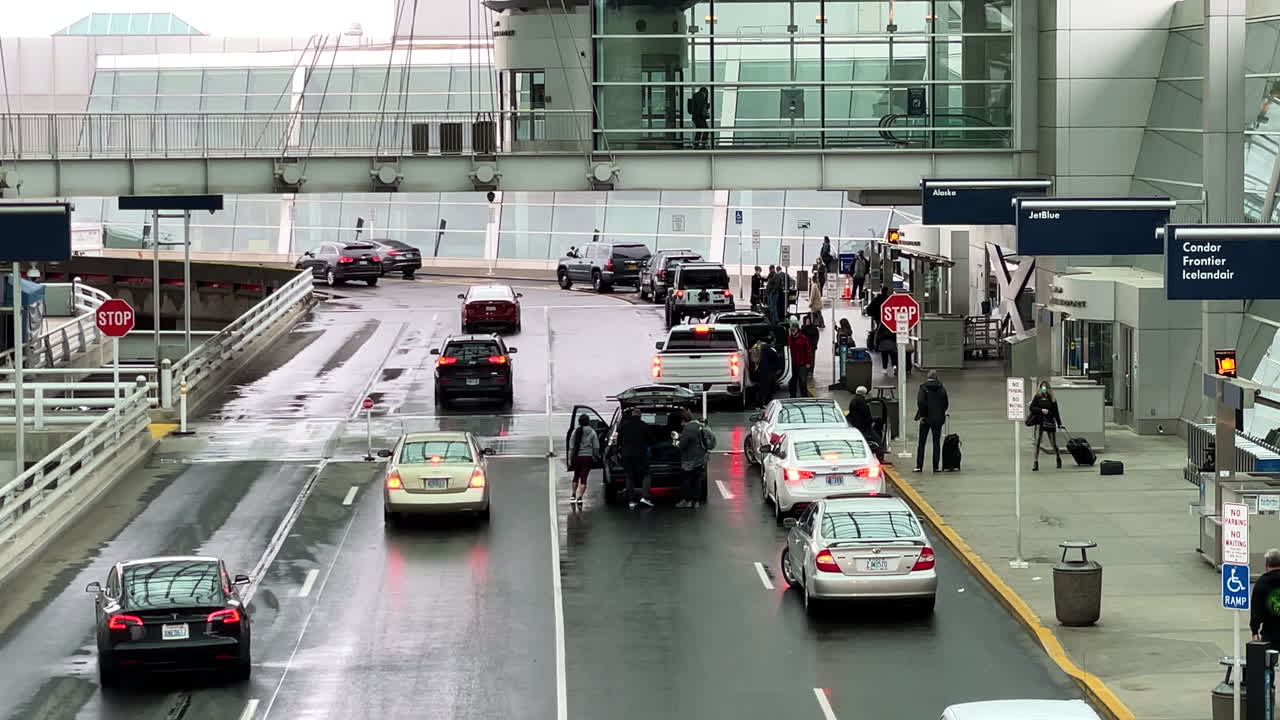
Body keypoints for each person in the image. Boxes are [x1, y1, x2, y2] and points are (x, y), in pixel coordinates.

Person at [616, 407, 654, 509]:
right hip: (640, 455)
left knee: (629, 476)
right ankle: (645, 497)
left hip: (627, 455)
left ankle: (631, 501)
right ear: (640, 416)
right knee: (646, 474)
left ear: (632, 415)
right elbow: (651, 440)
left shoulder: (623, 425)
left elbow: (618, 442)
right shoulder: (644, 425)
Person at [914, 370, 949, 473]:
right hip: (938, 419)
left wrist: (923, 414)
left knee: (922, 443)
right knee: (936, 442)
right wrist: (941, 412)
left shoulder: (923, 388)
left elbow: (920, 401)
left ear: (927, 377)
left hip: (926, 418)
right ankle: (936, 466)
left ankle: (919, 466)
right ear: (936, 377)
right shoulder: (942, 388)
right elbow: (946, 403)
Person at [676, 409, 711, 508]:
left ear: (683, 420)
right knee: (697, 480)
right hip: (700, 457)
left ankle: (686, 500)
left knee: (686, 480)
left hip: (689, 459)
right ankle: (696, 501)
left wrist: (677, 443)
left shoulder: (687, 429)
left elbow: (682, 445)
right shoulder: (698, 425)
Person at [1027, 381, 1064, 471]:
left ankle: (1058, 457)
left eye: (1045, 387)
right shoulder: (1037, 397)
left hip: (1049, 422)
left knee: (1053, 442)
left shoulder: (1052, 399)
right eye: (1042, 387)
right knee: (1037, 442)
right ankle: (1035, 462)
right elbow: (1032, 408)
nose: (1043, 389)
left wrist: (1059, 423)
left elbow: (1056, 412)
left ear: (1048, 388)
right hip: (1039, 421)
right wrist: (1041, 410)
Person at [568, 413, 599, 506]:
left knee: (576, 476)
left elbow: (571, 446)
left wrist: (570, 459)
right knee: (584, 478)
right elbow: (596, 446)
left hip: (577, 457)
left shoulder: (575, 431)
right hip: (587, 457)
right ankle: (580, 497)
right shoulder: (592, 432)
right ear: (588, 421)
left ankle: (573, 495)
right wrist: (595, 456)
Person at [1251, 549, 1280, 646]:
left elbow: (1256, 610)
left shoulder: (1261, 583)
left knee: (1269, 659)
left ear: (1266, 565)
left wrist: (1255, 631)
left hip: (1270, 632)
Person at [786, 318, 813, 398]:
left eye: (794, 329)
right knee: (792, 381)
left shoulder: (804, 339)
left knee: (802, 381)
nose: (793, 331)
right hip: (793, 364)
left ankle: (804, 396)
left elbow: (808, 351)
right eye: (791, 330)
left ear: (798, 329)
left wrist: (808, 362)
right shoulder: (789, 339)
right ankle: (792, 395)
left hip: (802, 364)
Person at [755, 338, 782, 407]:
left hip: (763, 370)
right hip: (769, 371)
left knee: (763, 387)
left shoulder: (762, 348)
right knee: (768, 388)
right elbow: (775, 358)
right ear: (772, 342)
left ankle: (761, 404)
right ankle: (765, 403)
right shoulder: (770, 349)